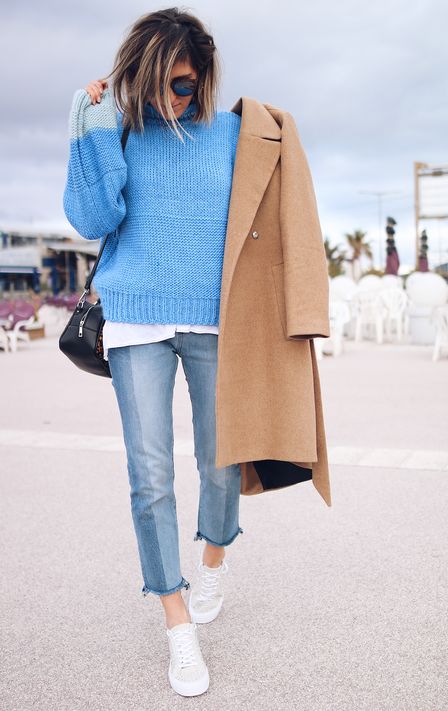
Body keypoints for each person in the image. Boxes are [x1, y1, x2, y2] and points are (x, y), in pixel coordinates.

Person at [63, 8, 243, 697]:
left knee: (221, 460)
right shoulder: (121, 129)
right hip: (135, 316)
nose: (177, 100)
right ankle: (177, 627)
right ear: (140, 78)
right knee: (151, 477)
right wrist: (91, 123)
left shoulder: (230, 133)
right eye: (164, 86)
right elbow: (93, 218)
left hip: (212, 320)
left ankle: (216, 554)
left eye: (188, 86)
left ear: (204, 80)